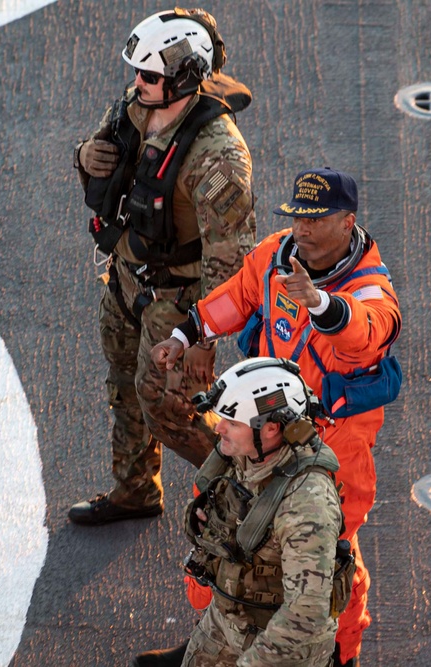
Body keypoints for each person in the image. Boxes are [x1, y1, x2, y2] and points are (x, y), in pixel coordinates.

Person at [150, 168, 401, 666]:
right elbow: (238, 297)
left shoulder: (371, 291)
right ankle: (219, 636)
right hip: (260, 432)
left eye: (315, 220)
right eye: (297, 218)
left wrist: (320, 303)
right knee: (228, 535)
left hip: (332, 445)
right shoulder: (276, 254)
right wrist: (184, 336)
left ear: (348, 222)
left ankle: (341, 657)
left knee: (330, 562)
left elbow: (365, 333)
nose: (301, 230)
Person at [69, 8, 256, 526]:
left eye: (149, 75)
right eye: (136, 72)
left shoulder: (219, 157)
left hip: (178, 299)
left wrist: (202, 337)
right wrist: (84, 156)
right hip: (128, 280)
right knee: (125, 386)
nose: (137, 82)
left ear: (184, 77)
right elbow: (98, 153)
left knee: (171, 411)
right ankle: (134, 490)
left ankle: (250, 495)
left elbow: (232, 254)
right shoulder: (136, 106)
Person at [177, 357, 353, 666]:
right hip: (227, 620)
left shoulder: (306, 502)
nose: (219, 428)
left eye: (231, 422)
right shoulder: (247, 452)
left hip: (281, 647)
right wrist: (198, 517)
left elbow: (305, 615)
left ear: (271, 428)